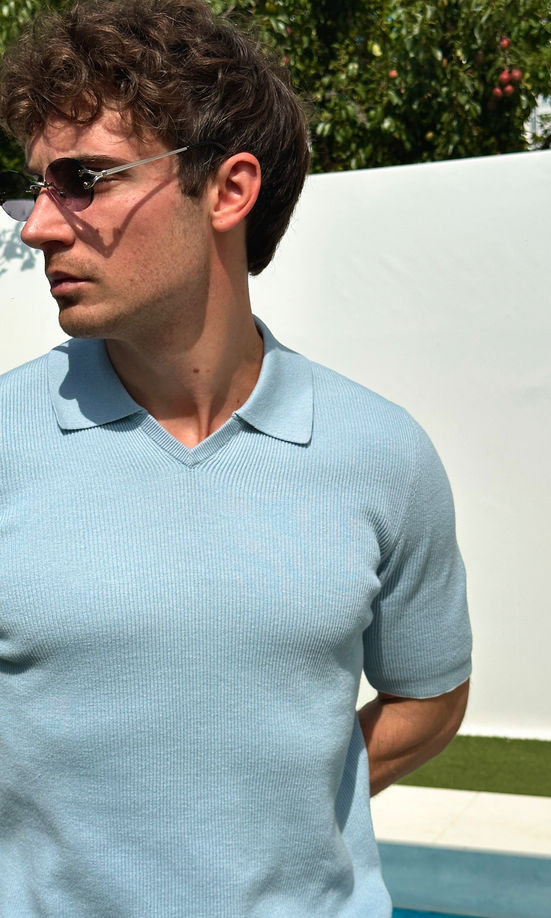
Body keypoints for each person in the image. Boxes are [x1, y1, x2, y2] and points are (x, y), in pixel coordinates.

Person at [0, 1, 471, 915]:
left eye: (83, 180)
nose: (38, 228)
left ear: (228, 190)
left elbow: (428, 700)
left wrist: (277, 813)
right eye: (37, 187)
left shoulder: (383, 454)